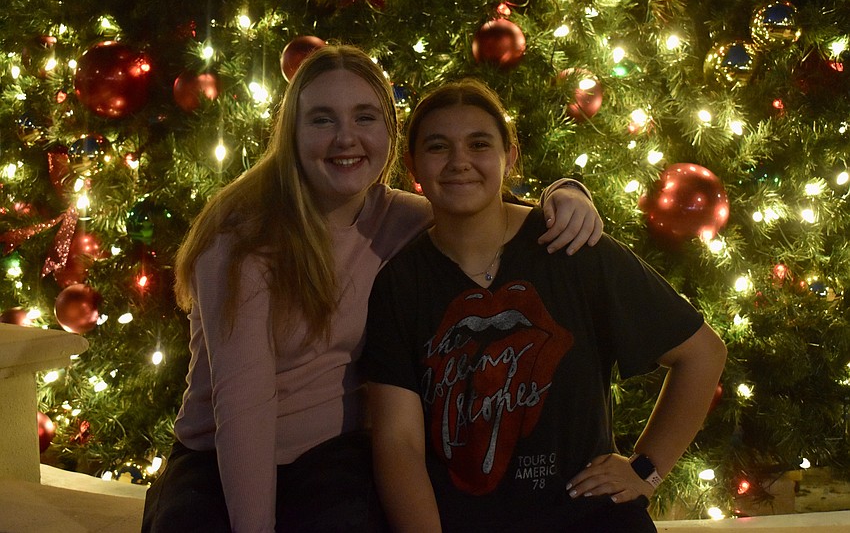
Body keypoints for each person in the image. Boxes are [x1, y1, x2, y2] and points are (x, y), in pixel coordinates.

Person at [141, 46, 603, 533]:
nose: (346, 138)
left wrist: (565, 192)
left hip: (335, 455)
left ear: (389, 131)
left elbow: (489, 213)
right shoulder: (240, 237)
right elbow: (242, 406)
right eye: (322, 120)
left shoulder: (406, 218)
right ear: (291, 134)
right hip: (218, 454)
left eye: (365, 117)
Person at [364, 79, 728, 533]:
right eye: (438, 147)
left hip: (591, 518)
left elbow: (702, 353)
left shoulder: (571, 247)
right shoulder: (399, 284)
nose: (459, 162)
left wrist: (645, 471)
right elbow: (398, 442)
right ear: (412, 164)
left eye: (479, 144)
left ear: (509, 156)